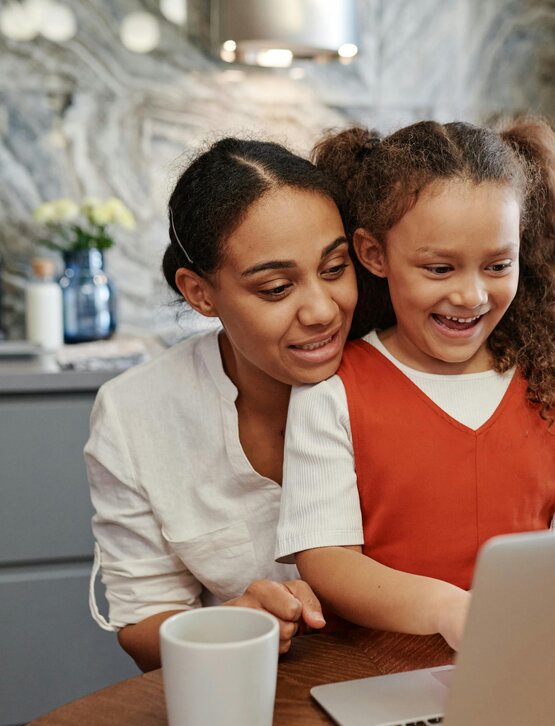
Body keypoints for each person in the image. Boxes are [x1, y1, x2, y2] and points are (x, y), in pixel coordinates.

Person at [275, 118, 555, 651]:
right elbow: (327, 562)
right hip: (375, 673)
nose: (471, 296)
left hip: (527, 659)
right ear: (374, 255)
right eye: (440, 268)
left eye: (497, 265)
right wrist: (449, 609)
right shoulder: (332, 394)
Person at [85, 137, 358, 671]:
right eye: (277, 288)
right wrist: (230, 625)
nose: (323, 310)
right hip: (250, 696)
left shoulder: (404, 374)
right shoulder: (136, 412)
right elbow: (143, 624)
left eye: (334, 268)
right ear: (200, 293)